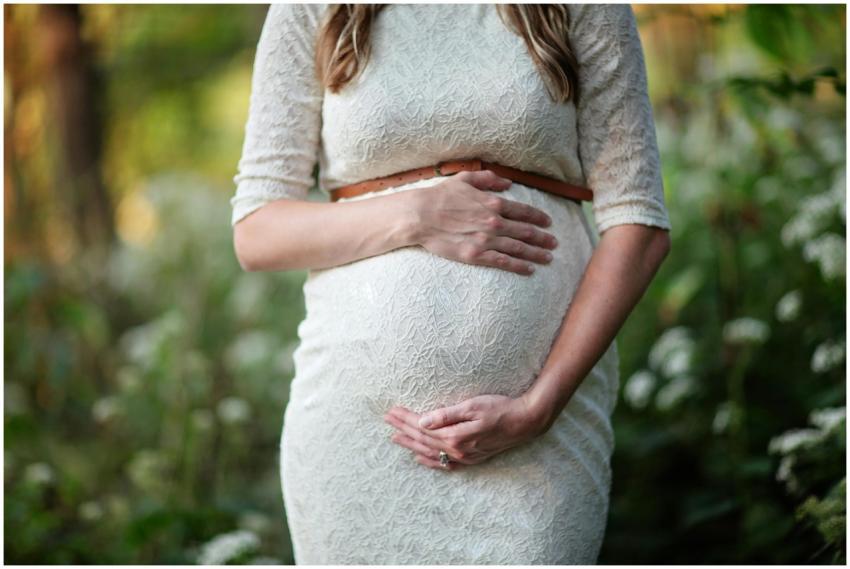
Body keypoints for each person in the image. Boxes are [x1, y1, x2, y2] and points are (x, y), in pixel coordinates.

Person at [230, 2, 672, 564]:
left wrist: (538, 408)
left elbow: (639, 223)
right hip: (355, 438)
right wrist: (417, 216)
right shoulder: (314, 8)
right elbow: (258, 231)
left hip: (540, 439)